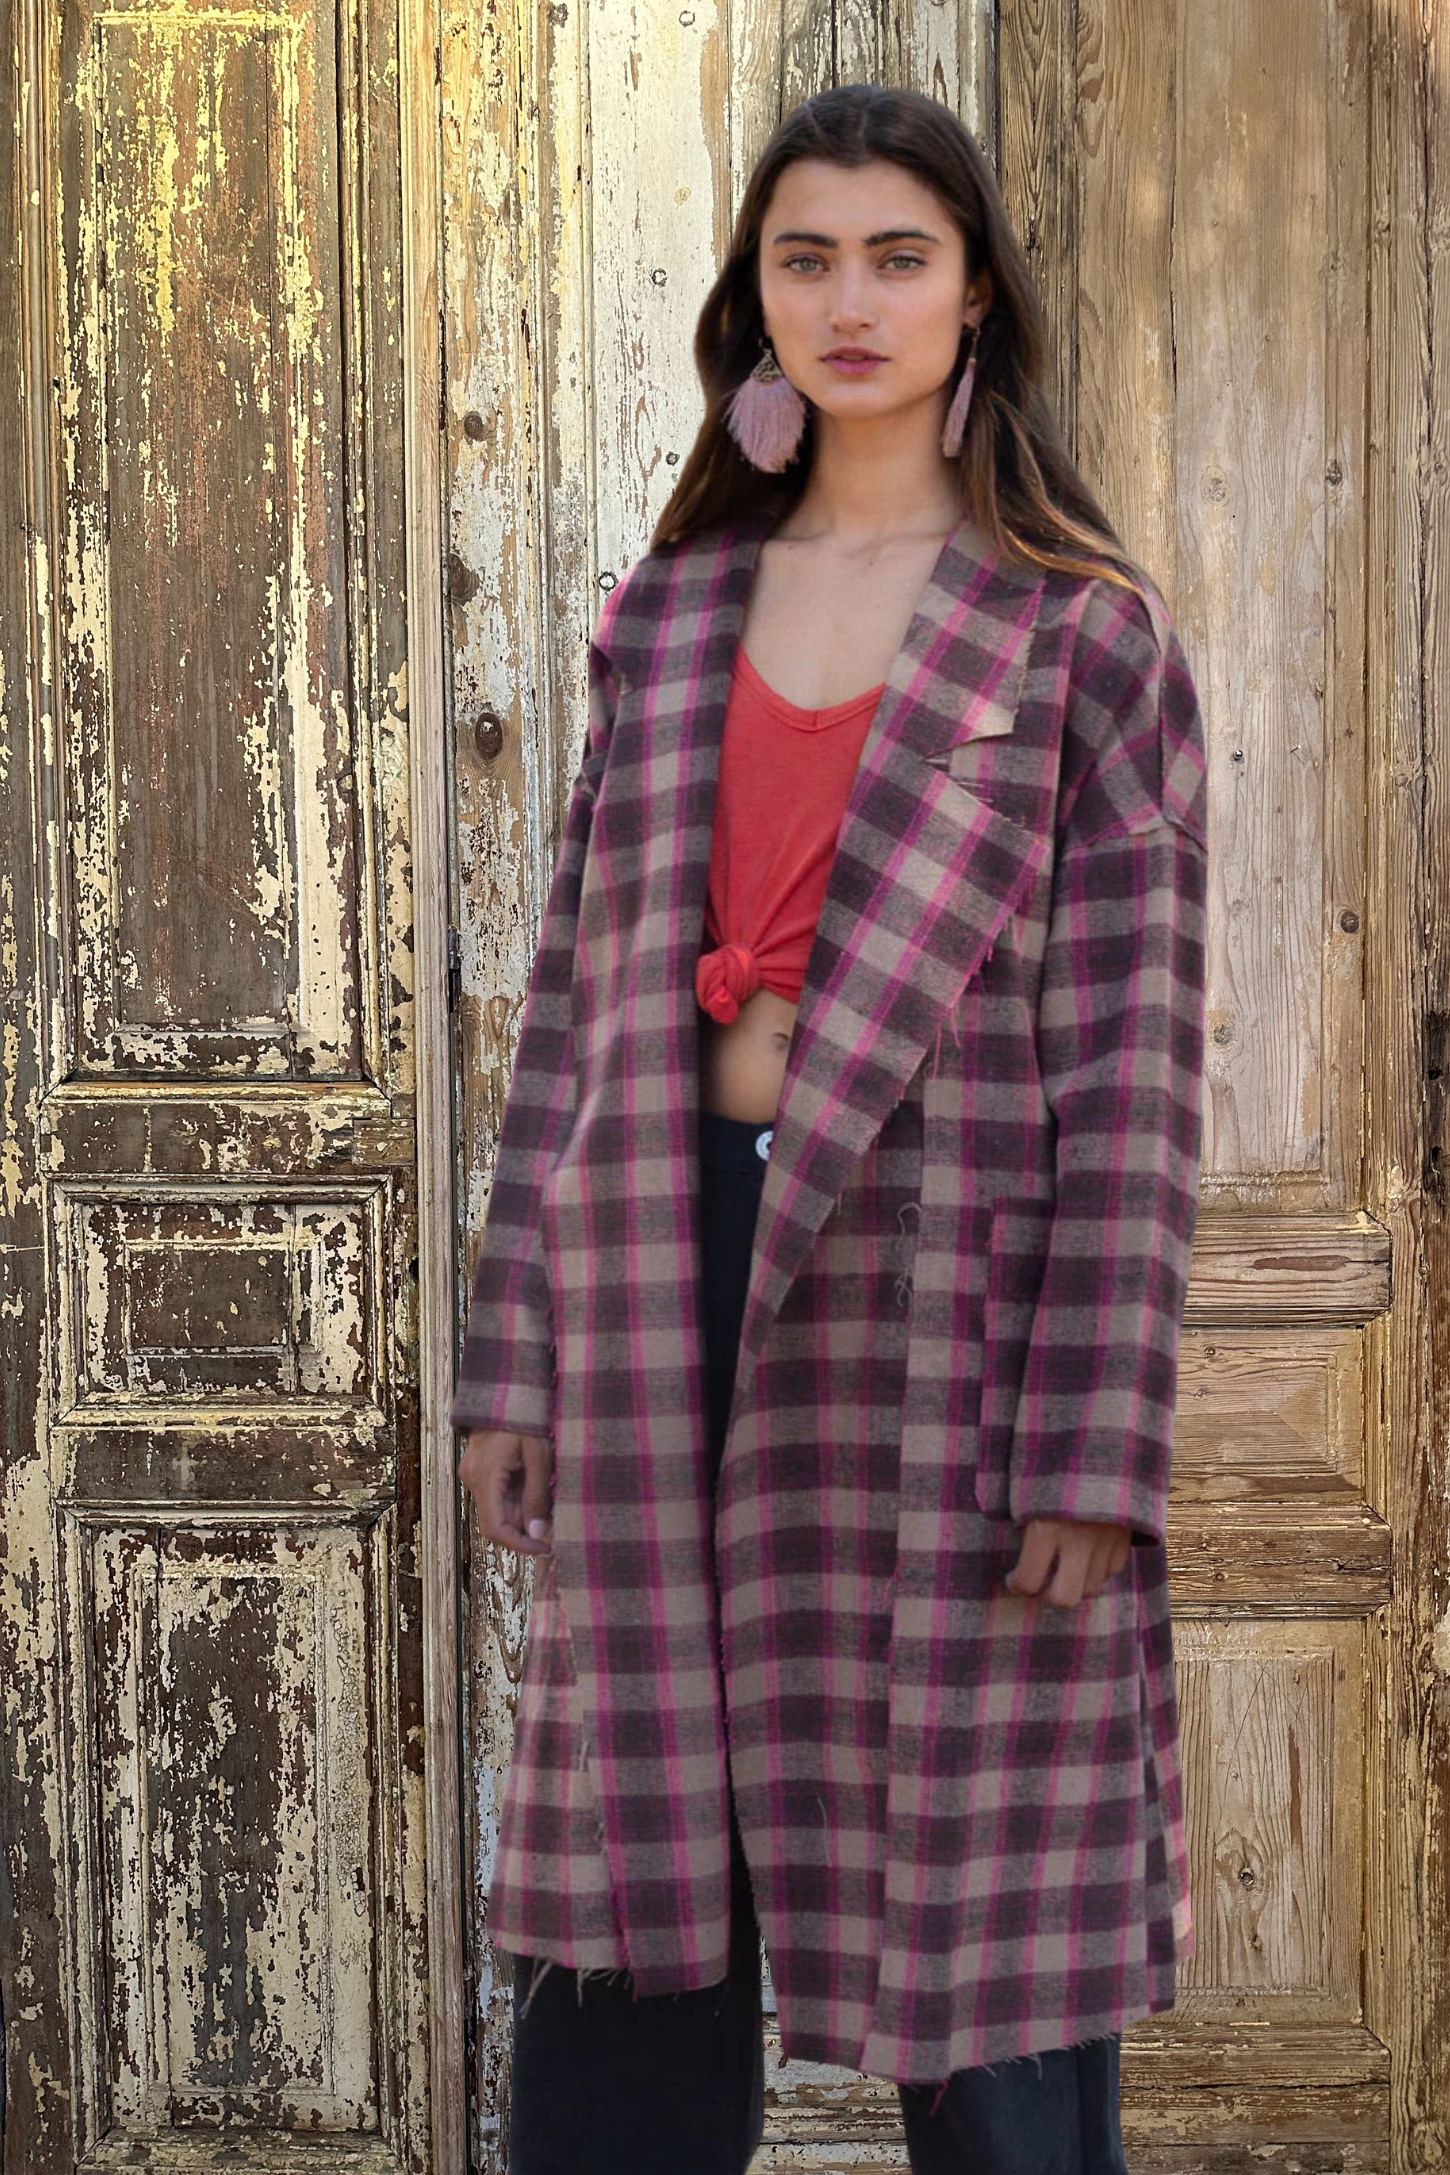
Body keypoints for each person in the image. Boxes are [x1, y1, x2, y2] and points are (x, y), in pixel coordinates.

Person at [452, 81, 1208, 2175]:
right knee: (634, 1888)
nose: (850, 299)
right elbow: (572, 1010)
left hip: (949, 1294)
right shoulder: (669, 610)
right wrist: (515, 1359)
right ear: (755, 301)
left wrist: (1093, 1445)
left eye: (897, 256)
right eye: (807, 258)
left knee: (986, 1929)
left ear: (974, 297)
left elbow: (1135, 1073)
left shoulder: (1080, 634)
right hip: (660, 1266)